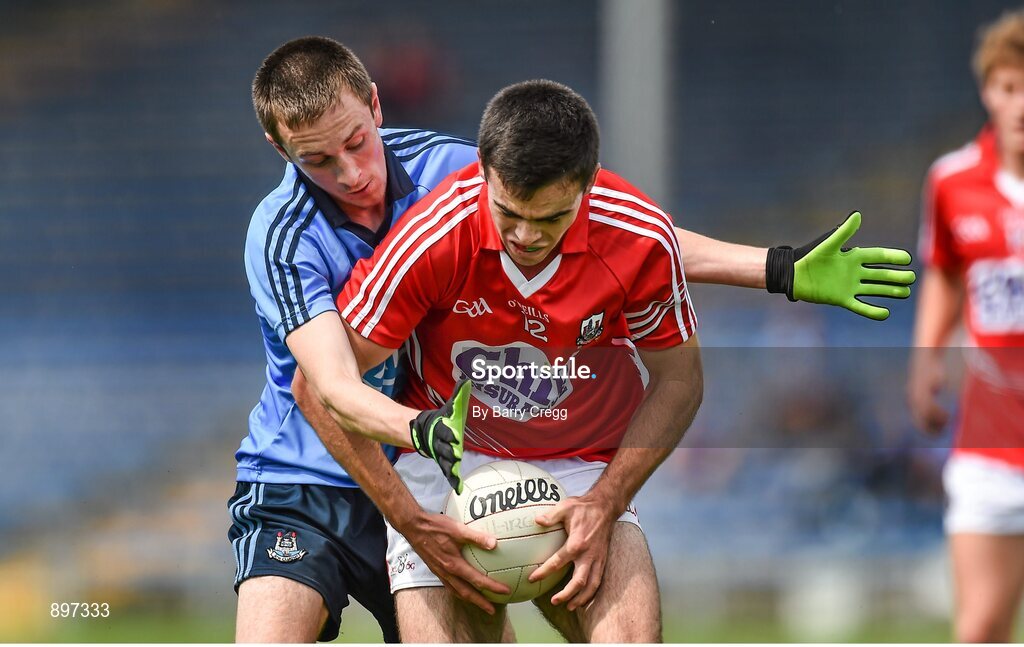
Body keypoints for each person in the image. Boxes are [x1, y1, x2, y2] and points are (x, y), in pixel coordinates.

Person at [235, 36, 916, 643]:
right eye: (319, 159)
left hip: (469, 457)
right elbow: (326, 386)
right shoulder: (290, 237)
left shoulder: (460, 170)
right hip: (312, 473)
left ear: (376, 108)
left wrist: (776, 268)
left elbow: (623, 232)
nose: (352, 173)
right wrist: (418, 460)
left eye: (356, 143)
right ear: (281, 149)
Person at [908, 10, 1024, 643]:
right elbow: (946, 273)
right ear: (988, 91)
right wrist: (925, 361)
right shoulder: (953, 181)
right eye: (1010, 88)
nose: (1021, 104)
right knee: (981, 627)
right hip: (990, 438)